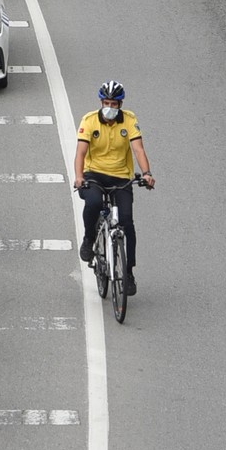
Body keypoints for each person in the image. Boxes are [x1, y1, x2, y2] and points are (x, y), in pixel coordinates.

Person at [73, 80, 155, 295]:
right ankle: (89, 239)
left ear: (120, 104)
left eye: (114, 104)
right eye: (106, 102)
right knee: (93, 203)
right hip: (94, 175)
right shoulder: (89, 120)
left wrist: (146, 174)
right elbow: (80, 152)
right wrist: (79, 176)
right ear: (101, 102)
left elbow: (138, 149)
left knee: (127, 221)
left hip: (121, 178)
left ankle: (128, 273)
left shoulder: (129, 120)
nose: (110, 107)